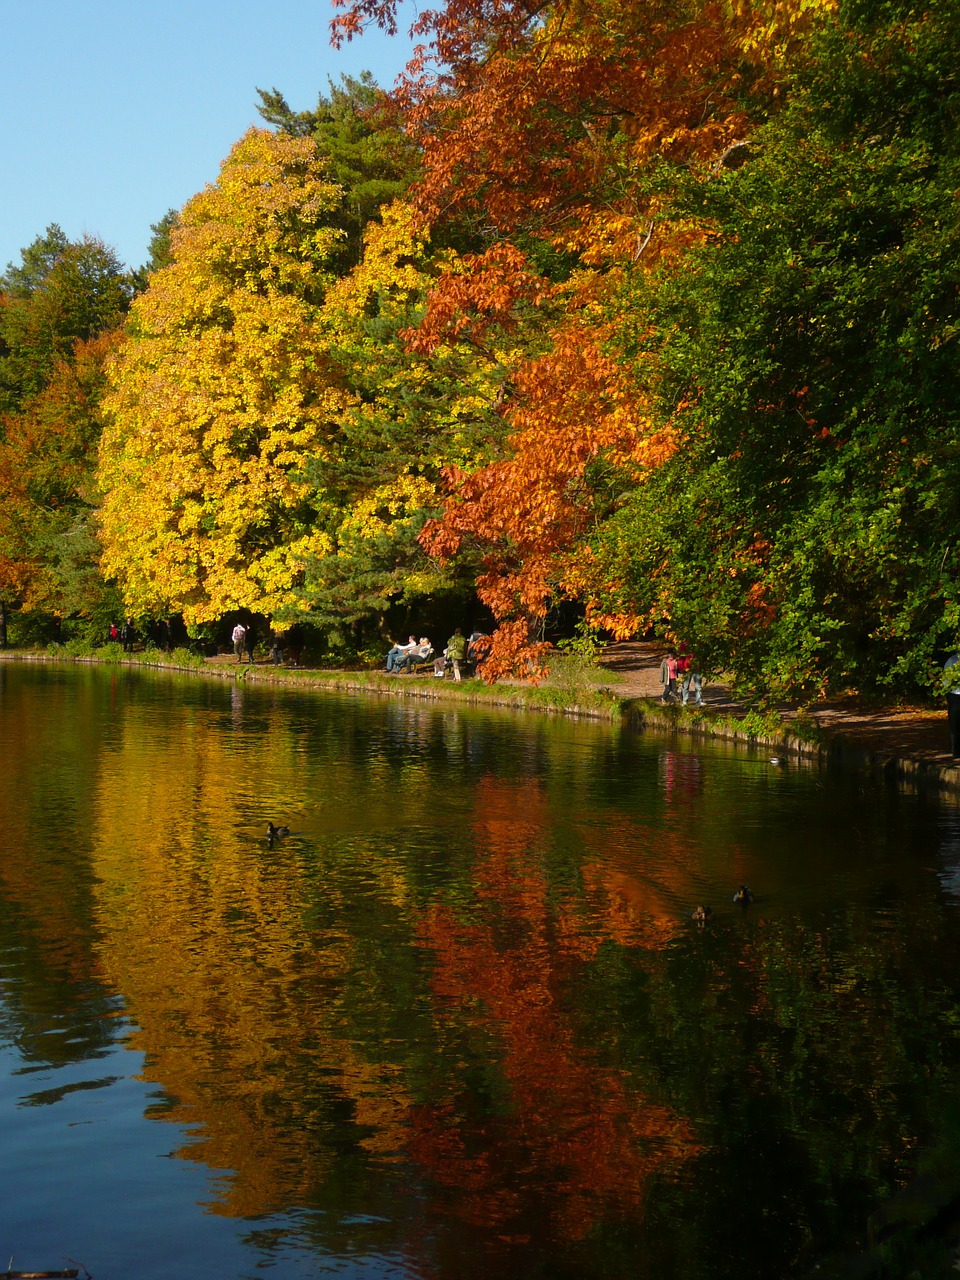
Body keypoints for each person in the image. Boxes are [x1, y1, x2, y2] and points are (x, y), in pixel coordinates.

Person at [945, 652, 960, 757]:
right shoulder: (952, 660)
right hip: (955, 695)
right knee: (955, 723)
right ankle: (956, 750)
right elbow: (946, 680)